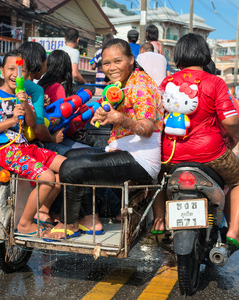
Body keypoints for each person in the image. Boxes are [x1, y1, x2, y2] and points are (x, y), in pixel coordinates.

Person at [44, 38, 164, 239]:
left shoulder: (140, 85)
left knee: (71, 168)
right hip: (120, 150)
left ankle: (69, 224)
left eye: (117, 61)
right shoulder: (123, 84)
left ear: (131, 60)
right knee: (72, 157)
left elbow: (147, 128)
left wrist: (121, 119)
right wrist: (104, 115)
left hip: (140, 159)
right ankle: (91, 219)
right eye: (106, 63)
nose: (111, 67)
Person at [153, 33, 239, 251]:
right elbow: (229, 120)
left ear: (178, 55)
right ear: (205, 55)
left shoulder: (167, 81)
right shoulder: (214, 82)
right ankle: (234, 232)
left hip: (170, 154)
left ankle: (159, 221)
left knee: (159, 178)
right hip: (209, 154)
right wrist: (235, 137)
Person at [0, 49, 66, 235]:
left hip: (26, 147)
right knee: (48, 178)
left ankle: (42, 212)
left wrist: (25, 103)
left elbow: (32, 123)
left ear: (26, 75)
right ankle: (25, 223)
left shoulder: (23, 95)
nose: (15, 73)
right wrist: (12, 120)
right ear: (2, 71)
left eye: (20, 70)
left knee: (66, 169)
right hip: (5, 150)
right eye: (10, 68)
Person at [37, 49, 90, 156]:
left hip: (40, 138)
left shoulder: (40, 85)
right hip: (53, 139)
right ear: (66, 68)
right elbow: (62, 117)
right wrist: (74, 131)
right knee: (89, 154)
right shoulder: (57, 87)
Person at [17, 41, 64, 149]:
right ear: (39, 62)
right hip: (27, 144)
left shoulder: (13, 84)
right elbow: (38, 129)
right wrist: (54, 139)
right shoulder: (36, 89)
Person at [60, 28, 95, 95]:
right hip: (67, 87)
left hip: (57, 87)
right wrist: (85, 83)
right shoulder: (75, 52)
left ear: (64, 39)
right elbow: (75, 75)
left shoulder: (57, 50)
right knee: (96, 90)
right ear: (77, 40)